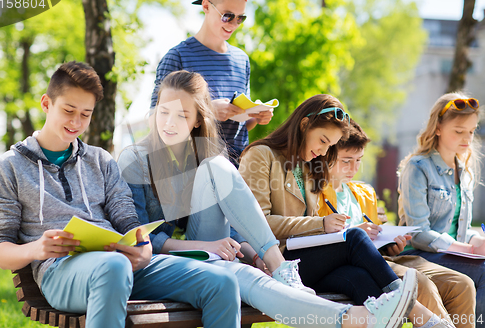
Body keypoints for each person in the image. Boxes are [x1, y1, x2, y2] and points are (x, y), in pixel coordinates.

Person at [119, 70, 420, 328]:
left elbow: (234, 225)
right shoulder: (136, 158)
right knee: (241, 277)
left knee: (248, 270)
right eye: (164, 111)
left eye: (182, 115)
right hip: (162, 260)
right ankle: (355, 315)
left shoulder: (203, 158)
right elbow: (144, 238)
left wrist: (254, 255)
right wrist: (204, 246)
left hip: (208, 252)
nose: (169, 123)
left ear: (198, 120)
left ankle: (354, 314)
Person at [0, 61, 255, 328]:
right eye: (68, 110)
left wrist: (143, 246)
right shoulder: (9, 167)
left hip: (121, 262)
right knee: (113, 267)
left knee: (221, 283)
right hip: (61, 271)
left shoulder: (100, 161)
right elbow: (1, 251)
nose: (76, 122)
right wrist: (37, 248)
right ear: (46, 104)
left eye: (85, 114)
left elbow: (127, 219)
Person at [239, 94, 453, 328]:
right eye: (322, 140)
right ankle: (414, 307)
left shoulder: (309, 166)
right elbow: (258, 223)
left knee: (361, 281)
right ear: (303, 125)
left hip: (308, 261)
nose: (322, 151)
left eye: (329, 145)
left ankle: (407, 307)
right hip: (278, 263)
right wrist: (321, 224)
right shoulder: (260, 155)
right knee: (354, 236)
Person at [321, 119, 476, 328]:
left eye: (359, 160)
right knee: (421, 285)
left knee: (462, 284)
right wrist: (356, 233)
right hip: (356, 265)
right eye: (346, 160)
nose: (354, 168)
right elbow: (320, 241)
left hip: (384, 259)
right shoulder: (317, 194)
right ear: (327, 156)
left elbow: (377, 236)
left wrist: (391, 243)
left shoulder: (363, 192)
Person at [151, 0, 274, 166]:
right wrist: (206, 111)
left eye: (240, 18)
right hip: (192, 169)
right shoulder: (177, 57)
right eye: (227, 16)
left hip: (238, 170)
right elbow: (155, 119)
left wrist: (256, 116)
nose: (233, 24)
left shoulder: (242, 60)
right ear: (206, 6)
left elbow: (239, 128)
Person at [398, 92, 485, 327]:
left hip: (453, 255)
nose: (467, 138)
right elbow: (418, 233)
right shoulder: (417, 168)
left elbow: (458, 228)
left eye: (472, 131)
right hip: (418, 256)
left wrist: (477, 240)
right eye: (459, 131)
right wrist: (469, 248)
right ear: (437, 128)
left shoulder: (465, 172)